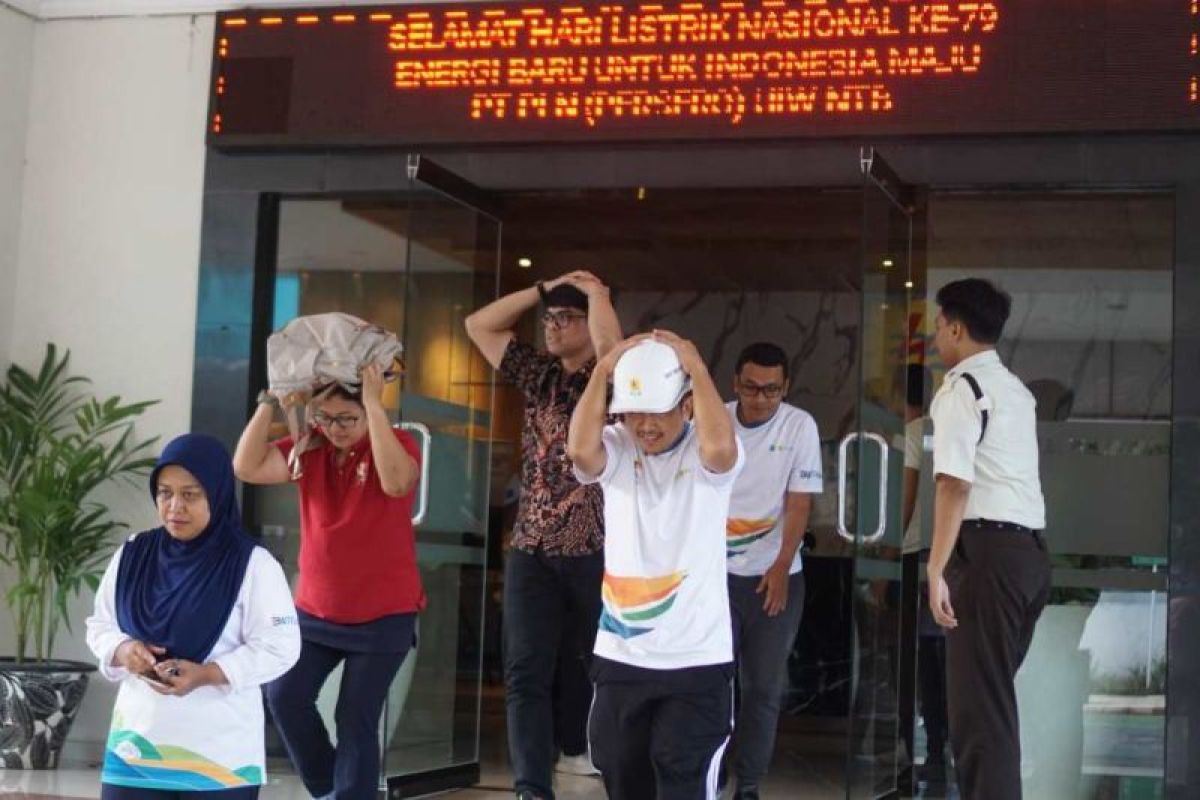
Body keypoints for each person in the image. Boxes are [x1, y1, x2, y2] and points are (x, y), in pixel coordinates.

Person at [233, 364, 423, 800]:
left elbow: (396, 484)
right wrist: (269, 404)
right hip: (316, 610)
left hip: (383, 613)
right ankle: (329, 790)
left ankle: (348, 793)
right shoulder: (309, 448)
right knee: (284, 695)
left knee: (355, 716)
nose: (335, 429)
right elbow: (246, 466)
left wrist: (374, 406)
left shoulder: (397, 444)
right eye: (326, 417)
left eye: (346, 419)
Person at [464, 270, 621, 799]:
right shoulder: (540, 374)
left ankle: (604, 764)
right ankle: (533, 788)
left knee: (603, 665)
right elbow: (478, 325)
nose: (553, 327)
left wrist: (597, 294)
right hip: (531, 548)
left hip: (594, 548)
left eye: (566, 318)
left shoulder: (610, 380)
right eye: (549, 319)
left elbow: (613, 353)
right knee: (524, 671)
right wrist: (540, 289)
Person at [568, 332, 745, 800]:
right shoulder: (618, 447)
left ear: (686, 405)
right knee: (620, 770)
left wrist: (696, 366)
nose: (644, 425)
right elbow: (580, 452)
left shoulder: (709, 454)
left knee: (683, 777)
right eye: (632, 413)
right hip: (623, 656)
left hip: (697, 659)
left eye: (657, 411)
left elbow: (721, 450)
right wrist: (603, 372)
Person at [86, 433, 301, 799]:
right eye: (165, 493)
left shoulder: (252, 564)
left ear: (216, 494)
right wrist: (124, 650)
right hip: (136, 748)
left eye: (190, 494)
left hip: (219, 756)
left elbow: (281, 645)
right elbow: (100, 625)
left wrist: (209, 674)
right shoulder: (133, 553)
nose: (174, 507)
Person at [926, 278, 1051, 800]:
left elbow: (955, 483)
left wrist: (935, 569)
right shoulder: (1015, 390)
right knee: (991, 706)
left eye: (937, 326)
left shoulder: (962, 389)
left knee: (978, 719)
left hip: (987, 557)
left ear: (956, 328)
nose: (935, 338)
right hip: (1028, 557)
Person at [722, 342, 823, 800]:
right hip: (715, 573)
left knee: (762, 685)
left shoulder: (799, 425)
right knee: (711, 682)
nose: (761, 398)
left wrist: (782, 565)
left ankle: (748, 784)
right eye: (751, 388)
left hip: (774, 574)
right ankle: (710, 774)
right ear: (735, 384)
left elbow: (798, 501)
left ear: (785, 388)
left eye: (772, 390)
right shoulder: (715, 419)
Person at [897, 363, 949, 784]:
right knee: (940, 661)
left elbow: (906, 501)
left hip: (917, 557)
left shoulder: (915, 433)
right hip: (948, 557)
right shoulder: (948, 427)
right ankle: (938, 750)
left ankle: (918, 752)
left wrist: (882, 553)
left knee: (914, 666)